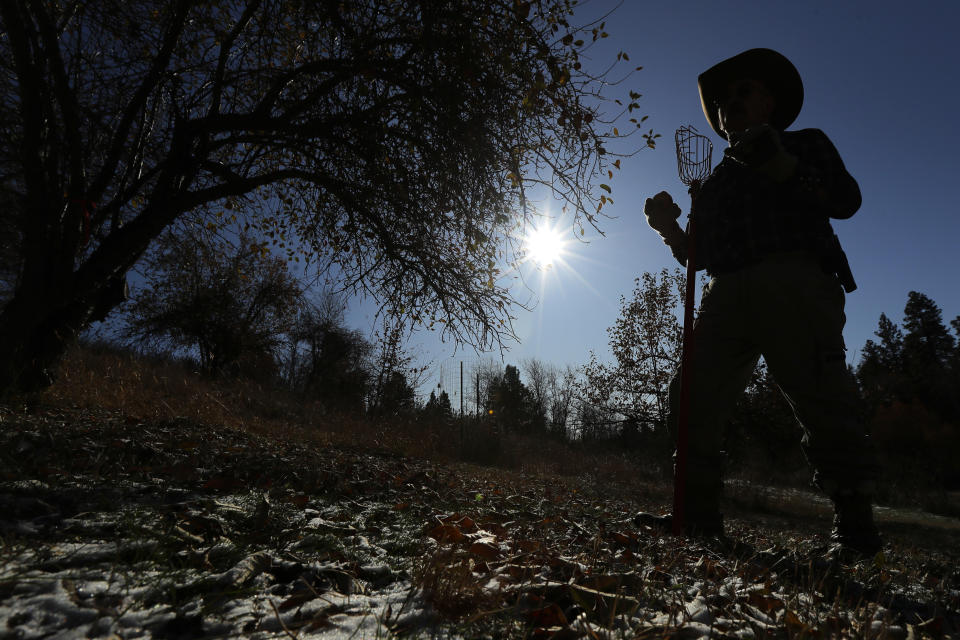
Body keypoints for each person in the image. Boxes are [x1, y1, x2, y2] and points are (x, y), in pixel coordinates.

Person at [640, 48, 881, 557]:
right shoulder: (715, 183)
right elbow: (698, 256)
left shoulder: (804, 143)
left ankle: (855, 528)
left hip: (795, 279)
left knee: (821, 396)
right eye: (723, 102)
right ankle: (696, 514)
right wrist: (669, 229)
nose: (731, 105)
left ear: (770, 100)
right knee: (691, 396)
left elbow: (846, 200)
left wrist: (784, 166)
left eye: (742, 92)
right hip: (725, 293)